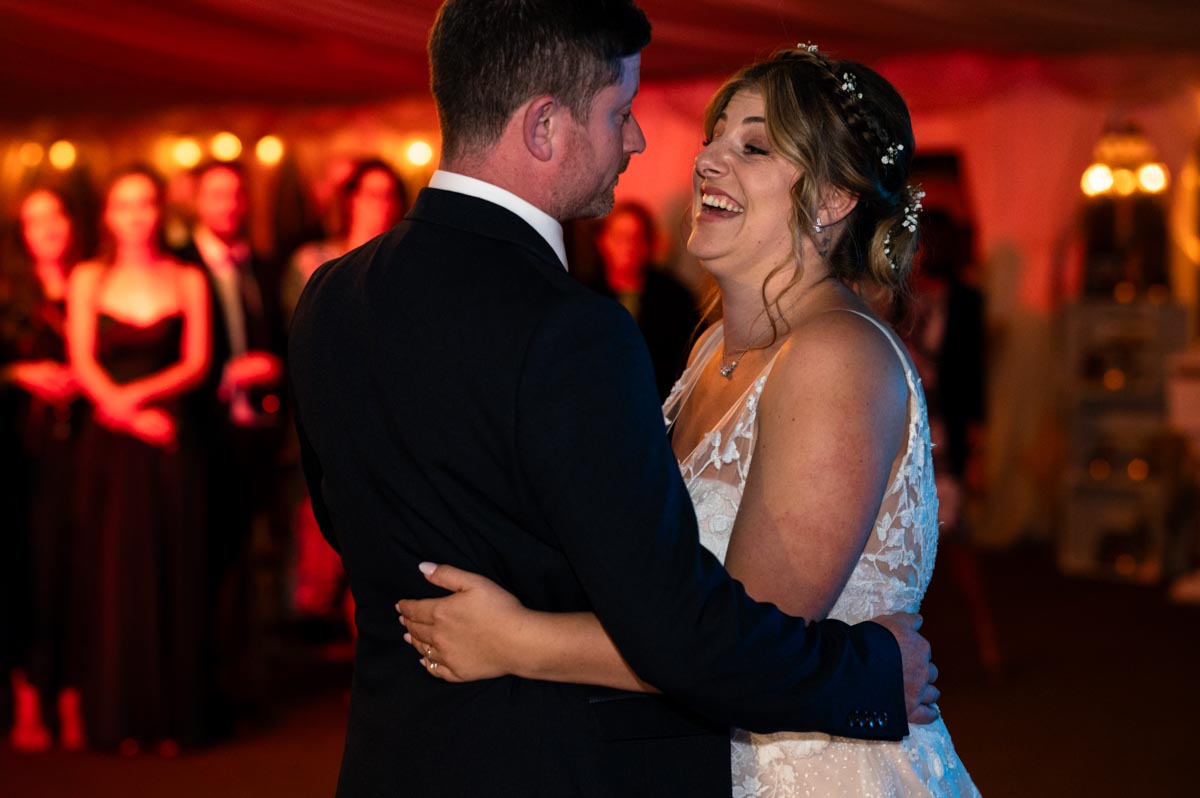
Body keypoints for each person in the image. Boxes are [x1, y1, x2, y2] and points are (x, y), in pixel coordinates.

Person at [290, 3, 936, 796]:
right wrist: (867, 673)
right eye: (622, 114)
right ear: (543, 126)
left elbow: (347, 517)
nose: (667, 150)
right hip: (563, 760)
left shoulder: (331, 293)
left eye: (752, 146)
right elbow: (688, 627)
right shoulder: (597, 333)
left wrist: (520, 638)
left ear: (835, 199)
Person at [66, 165, 211, 753]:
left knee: (171, 571)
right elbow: (82, 362)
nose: (135, 216)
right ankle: (118, 718)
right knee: (112, 579)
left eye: (145, 204)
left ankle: (172, 719)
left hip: (170, 443)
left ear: (159, 211)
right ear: (107, 214)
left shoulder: (187, 278)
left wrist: (143, 404)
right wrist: (129, 414)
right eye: (124, 205)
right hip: (112, 448)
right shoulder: (86, 277)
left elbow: (196, 362)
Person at [173, 159, 285, 729]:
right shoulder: (179, 266)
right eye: (218, 195)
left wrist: (273, 369)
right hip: (199, 440)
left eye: (237, 196)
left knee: (252, 562)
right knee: (204, 564)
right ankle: (206, 684)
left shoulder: (260, 267)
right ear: (197, 201)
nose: (230, 206)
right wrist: (223, 373)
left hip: (257, 439)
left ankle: (249, 681)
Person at [0, 188, 85, 752]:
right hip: (19, 454)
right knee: (22, 573)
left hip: (82, 449)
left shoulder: (94, 279)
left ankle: (78, 698)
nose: (47, 228)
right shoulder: (8, 291)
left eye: (55, 215)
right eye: (35, 220)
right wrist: (20, 374)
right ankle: (30, 703)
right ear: (21, 232)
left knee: (76, 572)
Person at [587, 201, 701, 398]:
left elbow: (690, 360)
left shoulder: (675, 299)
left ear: (648, 244)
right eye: (620, 238)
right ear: (603, 241)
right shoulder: (584, 297)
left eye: (636, 239)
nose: (628, 247)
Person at [280, 158, 408, 323]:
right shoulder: (312, 261)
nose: (383, 205)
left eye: (390, 196)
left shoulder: (404, 264)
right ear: (352, 200)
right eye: (373, 195)